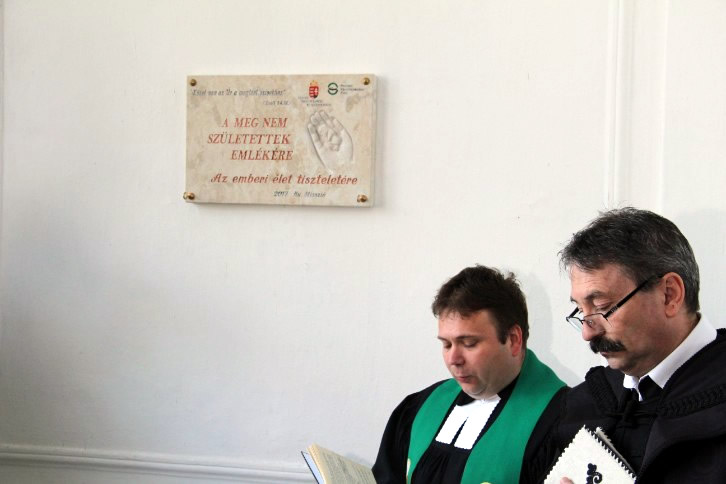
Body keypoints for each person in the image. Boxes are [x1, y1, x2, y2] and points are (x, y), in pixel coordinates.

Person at [546, 207, 726, 483]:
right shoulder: (584, 403)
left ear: (669, 295)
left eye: (602, 306)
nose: (587, 333)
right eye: (581, 311)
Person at [372, 265, 567, 484]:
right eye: (446, 344)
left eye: (469, 343)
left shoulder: (560, 421)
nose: (453, 359)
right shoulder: (420, 407)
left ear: (513, 339)